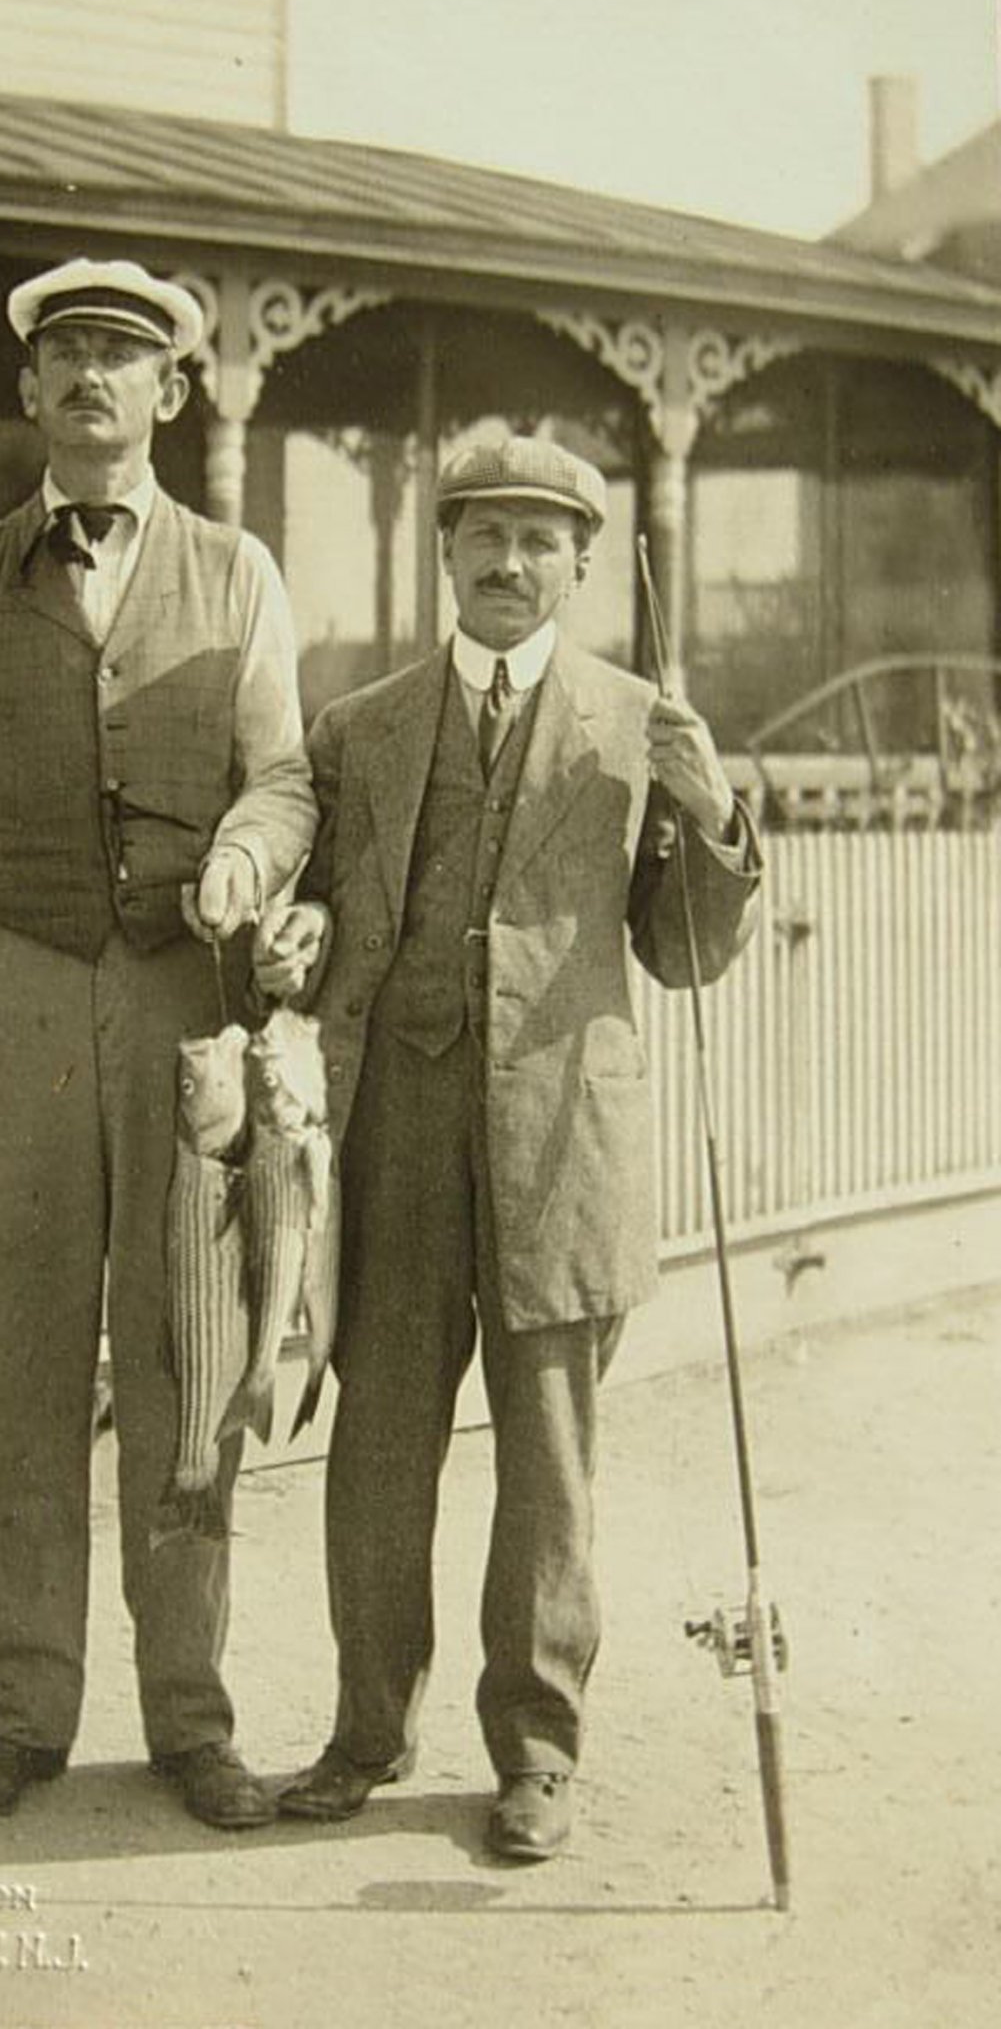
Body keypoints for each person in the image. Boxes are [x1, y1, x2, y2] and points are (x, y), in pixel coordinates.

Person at [0, 257, 316, 1829]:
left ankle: (190, 1719)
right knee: (22, 1365)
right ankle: (23, 1710)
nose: (97, 379)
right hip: (5, 986)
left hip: (180, 997)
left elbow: (286, 777)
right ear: (31, 392)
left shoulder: (236, 570)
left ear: (173, 393)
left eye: (128, 357)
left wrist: (245, 858)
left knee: (183, 1363)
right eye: (69, 357)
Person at [253, 433, 762, 1861]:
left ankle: (534, 1749)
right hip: (396, 1131)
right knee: (377, 1442)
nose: (508, 562)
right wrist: (294, 930)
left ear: (585, 567)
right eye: (483, 534)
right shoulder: (359, 723)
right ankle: (365, 1729)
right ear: (445, 550)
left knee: (547, 1460)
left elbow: (684, 952)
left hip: (558, 1140)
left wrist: (708, 808)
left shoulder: (635, 723)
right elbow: (308, 901)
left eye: (542, 541)